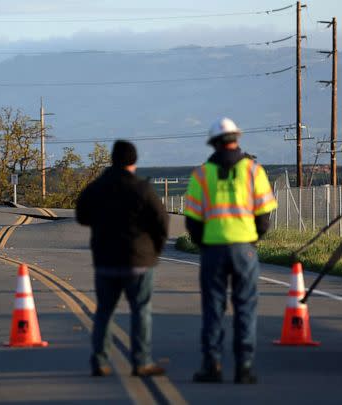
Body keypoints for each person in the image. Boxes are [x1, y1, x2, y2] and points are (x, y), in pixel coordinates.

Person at [183, 117, 277, 384]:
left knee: (213, 308)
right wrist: (252, 240)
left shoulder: (201, 175)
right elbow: (264, 216)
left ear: (213, 143)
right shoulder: (254, 171)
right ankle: (244, 366)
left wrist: (205, 243)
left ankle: (212, 365)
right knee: (245, 306)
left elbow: (192, 220)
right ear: (237, 138)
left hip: (213, 249)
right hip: (244, 249)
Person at [76, 140, 169, 377]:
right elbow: (161, 222)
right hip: (139, 261)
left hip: (106, 260)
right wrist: (154, 250)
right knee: (141, 311)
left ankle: (100, 360)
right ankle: (141, 361)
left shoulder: (97, 188)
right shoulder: (143, 189)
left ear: (112, 160)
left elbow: (81, 215)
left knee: (104, 312)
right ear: (134, 162)